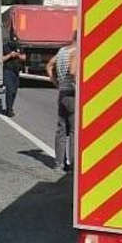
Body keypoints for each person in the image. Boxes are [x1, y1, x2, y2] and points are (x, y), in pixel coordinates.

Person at [46, 31, 78, 171]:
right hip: (72, 93)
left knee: (61, 129)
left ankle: (58, 163)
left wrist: (55, 82)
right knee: (73, 131)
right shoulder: (77, 51)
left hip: (62, 92)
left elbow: (49, 65)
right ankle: (72, 165)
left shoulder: (62, 51)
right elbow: (72, 71)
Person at [1, 36, 25, 117]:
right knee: (10, 90)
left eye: (16, 41)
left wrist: (18, 55)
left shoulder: (19, 47)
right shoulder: (4, 47)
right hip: (8, 71)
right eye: (13, 41)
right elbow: (1, 59)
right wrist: (10, 55)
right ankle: (9, 109)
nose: (14, 43)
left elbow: (24, 58)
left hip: (16, 72)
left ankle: (11, 107)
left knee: (14, 91)